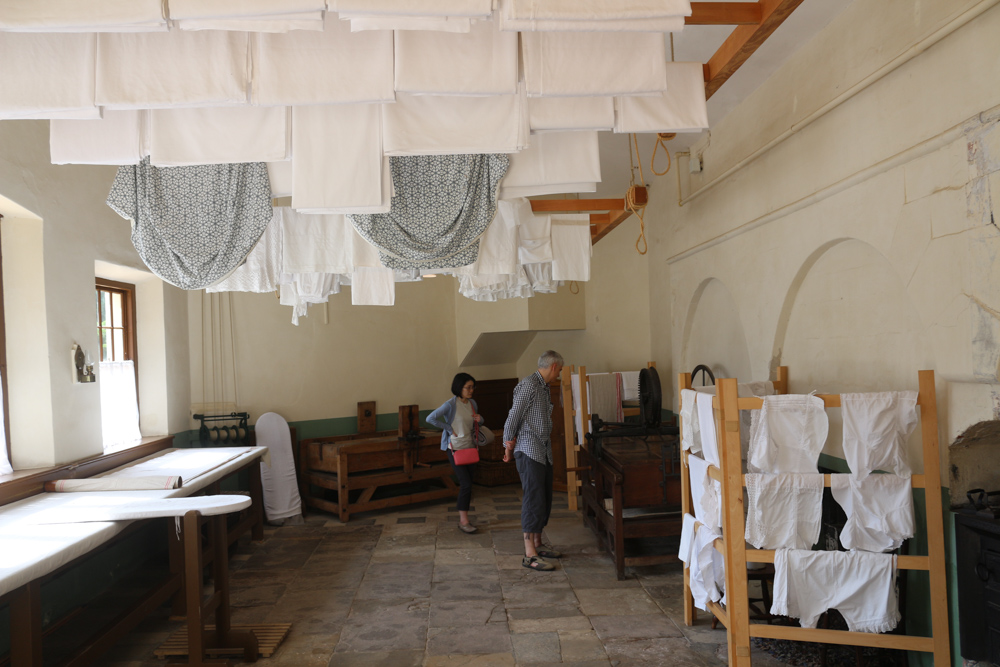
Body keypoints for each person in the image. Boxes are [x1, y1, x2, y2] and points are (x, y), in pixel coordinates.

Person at [502, 350, 565, 571]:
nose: (559, 375)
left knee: (544, 497)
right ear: (554, 367)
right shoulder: (528, 385)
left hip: (543, 450)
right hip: (529, 450)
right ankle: (530, 554)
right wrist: (508, 447)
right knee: (533, 498)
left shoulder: (543, 387)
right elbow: (512, 418)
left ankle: (538, 543)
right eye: (560, 371)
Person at [427, 372, 483, 534]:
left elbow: (476, 422)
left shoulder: (472, 403)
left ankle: (464, 518)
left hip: (470, 447)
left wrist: (481, 419)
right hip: (455, 448)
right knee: (465, 483)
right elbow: (430, 418)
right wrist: (449, 428)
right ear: (459, 387)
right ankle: (463, 521)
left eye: (473, 387)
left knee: (469, 484)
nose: (471, 390)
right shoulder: (450, 405)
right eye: (468, 387)